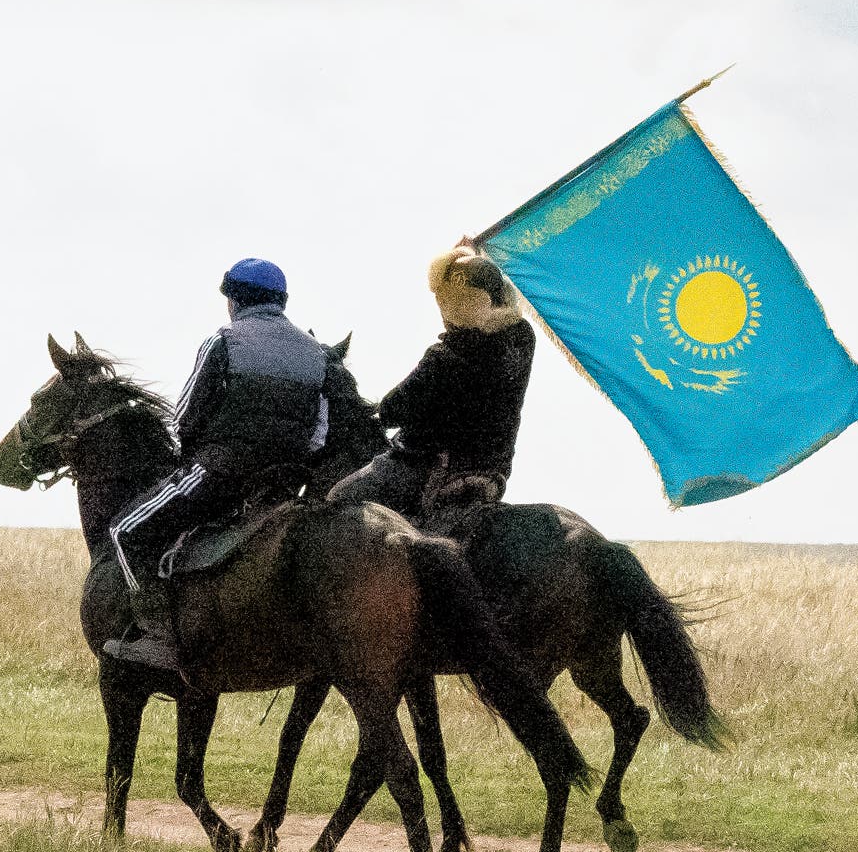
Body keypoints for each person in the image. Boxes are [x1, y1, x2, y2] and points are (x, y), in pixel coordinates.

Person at [105, 258, 334, 673]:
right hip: (286, 483)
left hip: (220, 473)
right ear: (281, 300)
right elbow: (318, 433)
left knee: (124, 531)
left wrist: (192, 456)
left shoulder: (223, 341)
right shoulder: (316, 353)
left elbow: (184, 416)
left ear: (235, 300)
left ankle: (158, 635)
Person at [330, 240, 536, 519]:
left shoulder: (444, 356)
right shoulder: (523, 340)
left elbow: (392, 410)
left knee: (338, 498)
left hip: (426, 469)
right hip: (491, 472)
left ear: (452, 306)